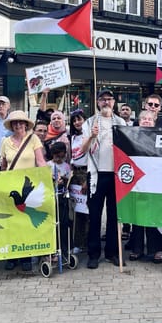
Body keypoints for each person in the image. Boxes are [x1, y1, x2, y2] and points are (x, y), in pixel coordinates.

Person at [82, 88, 127, 269]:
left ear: (114, 102)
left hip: (115, 175)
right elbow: (83, 150)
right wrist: (92, 136)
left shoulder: (121, 122)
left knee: (114, 216)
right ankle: (93, 254)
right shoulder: (89, 122)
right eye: (103, 99)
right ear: (97, 102)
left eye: (109, 99)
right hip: (96, 174)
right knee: (94, 216)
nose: (106, 102)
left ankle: (112, 252)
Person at [0, 110, 47, 271]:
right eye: (15, 122)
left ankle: (26, 255)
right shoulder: (5, 142)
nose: (18, 125)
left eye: (21, 122)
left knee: (25, 223)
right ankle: (13, 256)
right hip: (11, 187)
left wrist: (48, 179)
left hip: (28, 188)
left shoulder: (33, 139)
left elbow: (40, 161)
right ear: (11, 125)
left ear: (26, 124)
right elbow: (3, 166)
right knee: (12, 222)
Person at [126, 109, 162, 264]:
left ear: (154, 121)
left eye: (149, 119)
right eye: (143, 118)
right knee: (138, 217)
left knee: (156, 217)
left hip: (157, 183)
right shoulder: (131, 137)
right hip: (138, 183)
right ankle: (137, 249)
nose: (146, 121)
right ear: (138, 121)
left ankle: (157, 249)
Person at [47, 141, 72, 264]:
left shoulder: (67, 167)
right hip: (50, 198)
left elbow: (69, 182)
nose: (58, 158)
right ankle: (51, 251)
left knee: (63, 224)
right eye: (55, 155)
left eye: (60, 156)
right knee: (52, 224)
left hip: (62, 198)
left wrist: (65, 180)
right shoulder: (47, 166)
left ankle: (64, 249)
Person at [67, 109, 88, 255]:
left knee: (86, 211)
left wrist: (87, 179)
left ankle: (86, 242)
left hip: (86, 174)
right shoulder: (73, 137)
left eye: (79, 119)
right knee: (77, 211)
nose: (77, 123)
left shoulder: (89, 136)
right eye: (74, 121)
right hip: (75, 173)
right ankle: (78, 242)